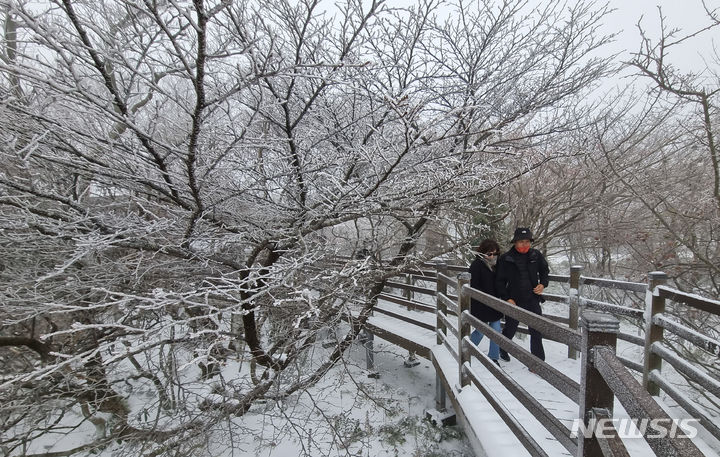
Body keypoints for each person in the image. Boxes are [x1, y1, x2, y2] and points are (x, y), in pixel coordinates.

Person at [495, 227, 549, 362]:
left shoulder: (535, 255)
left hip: (532, 299)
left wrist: (542, 284)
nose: (524, 244)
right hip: (514, 299)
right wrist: (507, 298)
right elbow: (499, 281)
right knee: (511, 327)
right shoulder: (506, 259)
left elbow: (544, 271)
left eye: (527, 241)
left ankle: (538, 361)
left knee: (536, 328)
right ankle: (503, 347)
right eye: (521, 241)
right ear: (515, 242)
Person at [468, 239, 503, 366]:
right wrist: (484, 297)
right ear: (483, 253)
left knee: (496, 331)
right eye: (489, 253)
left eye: (495, 253)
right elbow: (473, 285)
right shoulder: (477, 265)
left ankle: (493, 358)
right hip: (480, 304)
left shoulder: (497, 265)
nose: (492, 256)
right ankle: (466, 348)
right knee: (481, 330)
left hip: (494, 304)